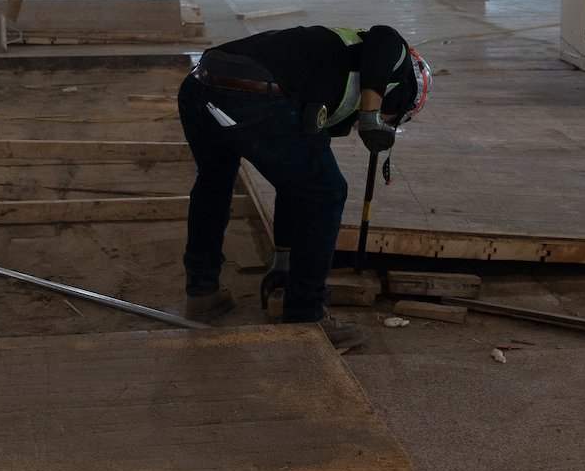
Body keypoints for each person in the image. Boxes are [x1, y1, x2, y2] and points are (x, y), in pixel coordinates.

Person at [178, 25, 431, 346]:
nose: (389, 120)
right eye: (394, 117)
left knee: (215, 181)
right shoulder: (394, 54)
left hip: (198, 86)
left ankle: (202, 292)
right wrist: (371, 120)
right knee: (327, 193)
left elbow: (292, 184)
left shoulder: (327, 80)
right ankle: (305, 317)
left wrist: (283, 260)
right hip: (251, 92)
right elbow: (383, 37)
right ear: (406, 93)